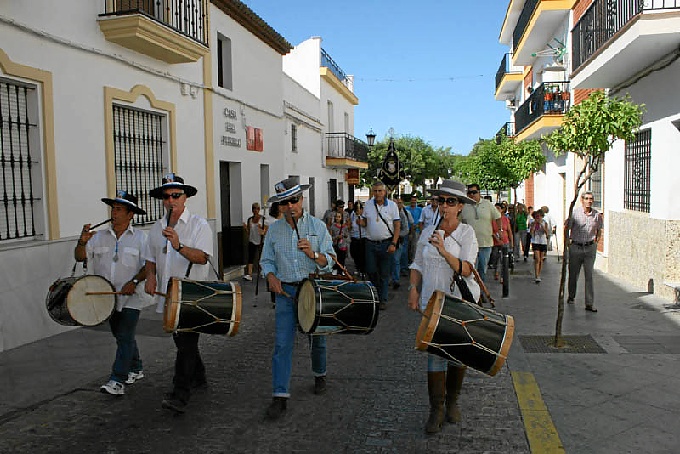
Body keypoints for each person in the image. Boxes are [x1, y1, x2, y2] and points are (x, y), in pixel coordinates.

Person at [260, 177, 335, 420]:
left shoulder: (317, 227)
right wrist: (270, 276)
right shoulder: (274, 230)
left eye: (294, 200)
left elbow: (330, 261)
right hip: (285, 293)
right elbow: (266, 260)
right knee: (282, 344)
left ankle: (319, 373)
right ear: (279, 206)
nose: (290, 206)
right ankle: (279, 396)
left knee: (318, 340)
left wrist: (314, 254)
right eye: (284, 202)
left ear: (302, 200)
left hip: (312, 289)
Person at [407, 179, 479, 434]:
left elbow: (468, 269)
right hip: (432, 303)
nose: (445, 206)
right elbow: (416, 265)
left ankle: (452, 402)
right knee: (435, 354)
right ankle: (435, 409)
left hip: (459, 305)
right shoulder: (427, 232)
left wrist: (445, 251)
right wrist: (413, 288)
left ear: (460, 206)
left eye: (451, 201)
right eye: (441, 201)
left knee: (457, 354)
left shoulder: (466, 234)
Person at [144, 173, 213, 414]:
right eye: (166, 196)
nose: (171, 200)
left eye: (176, 195)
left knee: (185, 343)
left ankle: (180, 394)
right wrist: (150, 276)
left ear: (185, 198)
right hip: (167, 294)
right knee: (183, 342)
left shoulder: (198, 225)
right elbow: (150, 257)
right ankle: (199, 376)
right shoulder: (156, 227)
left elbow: (203, 257)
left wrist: (179, 246)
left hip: (192, 294)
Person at [75, 190, 147, 396]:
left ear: (130, 214)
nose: (114, 213)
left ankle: (117, 380)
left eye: (119, 209)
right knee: (122, 336)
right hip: (106, 298)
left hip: (131, 298)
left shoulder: (141, 238)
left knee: (124, 335)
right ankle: (136, 366)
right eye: (113, 209)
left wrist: (134, 281)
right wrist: (81, 242)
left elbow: (148, 267)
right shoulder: (98, 238)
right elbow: (80, 257)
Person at [358, 182, 401, 310]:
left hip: (386, 243)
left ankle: (382, 299)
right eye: (375, 191)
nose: (377, 194)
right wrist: (360, 222)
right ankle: (375, 294)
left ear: (385, 192)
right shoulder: (368, 205)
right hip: (370, 243)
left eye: (380, 191)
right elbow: (365, 222)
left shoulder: (392, 206)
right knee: (370, 270)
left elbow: (397, 226)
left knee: (384, 273)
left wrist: (394, 243)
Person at [566, 191, 603, 312]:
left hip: (589, 248)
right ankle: (571, 296)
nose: (589, 201)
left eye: (591, 199)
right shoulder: (575, 213)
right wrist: (567, 243)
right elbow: (567, 228)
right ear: (582, 200)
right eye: (586, 198)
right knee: (573, 274)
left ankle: (589, 303)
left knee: (589, 275)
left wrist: (596, 242)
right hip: (576, 247)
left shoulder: (596, 215)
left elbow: (599, 230)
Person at [460, 183, 501, 283]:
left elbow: (498, 217)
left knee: (482, 270)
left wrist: (500, 231)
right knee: (472, 269)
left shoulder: (487, 204)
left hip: (485, 243)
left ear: (479, 192)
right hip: (469, 244)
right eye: (469, 193)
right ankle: (473, 292)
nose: (472, 195)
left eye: (474, 192)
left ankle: (481, 292)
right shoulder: (464, 206)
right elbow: (458, 222)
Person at [391, 196, 413, 288]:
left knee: (396, 260)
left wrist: (397, 235)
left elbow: (406, 229)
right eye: (395, 203)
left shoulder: (403, 214)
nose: (397, 205)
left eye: (399, 203)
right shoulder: (388, 213)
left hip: (398, 241)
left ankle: (395, 280)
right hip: (387, 240)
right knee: (388, 261)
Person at [243, 202, 268, 281]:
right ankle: (249, 274)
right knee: (251, 257)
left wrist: (262, 230)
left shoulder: (263, 219)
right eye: (254, 208)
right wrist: (245, 228)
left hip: (261, 241)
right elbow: (249, 232)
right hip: (252, 240)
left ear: (259, 209)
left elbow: (266, 230)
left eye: (257, 208)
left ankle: (263, 271)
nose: (255, 210)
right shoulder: (250, 220)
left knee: (262, 257)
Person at [491, 202, 514, 282]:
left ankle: (501, 276)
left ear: (502, 210)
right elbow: (491, 231)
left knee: (503, 259)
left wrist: (511, 242)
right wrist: (497, 239)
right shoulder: (491, 219)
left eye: (498, 208)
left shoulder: (505, 219)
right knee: (495, 257)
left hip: (505, 241)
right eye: (495, 208)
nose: (497, 210)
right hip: (495, 242)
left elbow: (509, 231)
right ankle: (496, 270)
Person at [529, 210, 549, 283]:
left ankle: (539, 274)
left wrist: (541, 225)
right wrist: (534, 225)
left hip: (543, 242)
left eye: (539, 216)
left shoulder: (544, 222)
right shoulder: (532, 223)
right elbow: (531, 233)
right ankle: (536, 275)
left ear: (542, 216)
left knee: (541, 259)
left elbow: (546, 233)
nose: (537, 218)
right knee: (537, 258)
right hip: (535, 241)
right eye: (536, 216)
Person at [348, 201, 366, 276]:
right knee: (354, 253)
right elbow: (349, 226)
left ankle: (362, 269)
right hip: (354, 237)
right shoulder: (352, 215)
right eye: (356, 209)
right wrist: (350, 226)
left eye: (359, 209)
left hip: (363, 237)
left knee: (362, 254)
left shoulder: (364, 215)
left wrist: (361, 223)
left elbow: (366, 224)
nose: (358, 211)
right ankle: (357, 266)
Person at [404, 193, 423, 263]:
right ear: (410, 201)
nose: (413, 202)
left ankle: (413, 260)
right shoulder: (406, 209)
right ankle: (406, 261)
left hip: (416, 230)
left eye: (415, 201)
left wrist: (418, 226)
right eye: (412, 201)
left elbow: (421, 219)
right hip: (407, 230)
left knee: (414, 246)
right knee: (407, 246)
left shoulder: (420, 209)